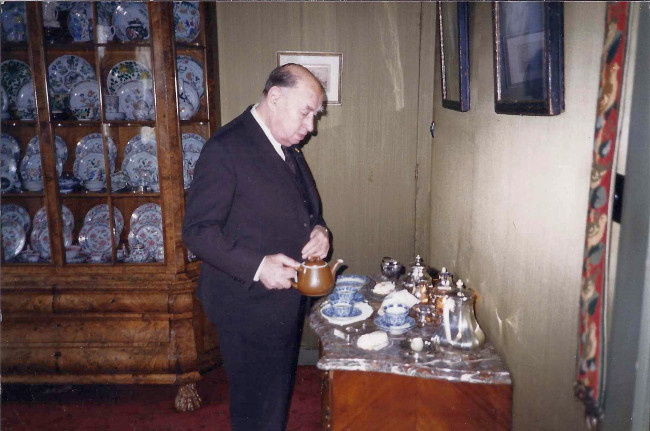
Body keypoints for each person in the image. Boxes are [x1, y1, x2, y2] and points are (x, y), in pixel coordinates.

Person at [182, 63, 330, 431]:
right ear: (275, 98)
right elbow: (197, 231)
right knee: (255, 408)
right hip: (246, 305)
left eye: (315, 115)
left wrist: (320, 230)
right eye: (306, 112)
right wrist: (259, 267)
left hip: (283, 301)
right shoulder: (225, 149)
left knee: (274, 398)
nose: (310, 127)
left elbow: (307, 208)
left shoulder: (285, 144)